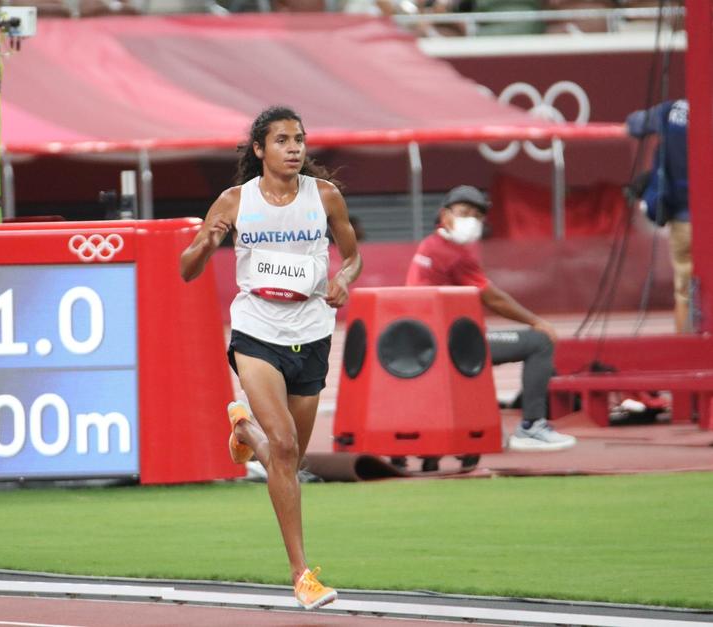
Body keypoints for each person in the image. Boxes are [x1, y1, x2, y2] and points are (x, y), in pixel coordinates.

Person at [180, 105, 361, 610]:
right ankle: (302, 574)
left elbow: (352, 256)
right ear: (259, 149)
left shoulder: (324, 197)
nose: (295, 147)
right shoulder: (235, 202)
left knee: (290, 458)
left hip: (311, 329)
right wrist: (208, 240)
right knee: (283, 445)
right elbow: (186, 268)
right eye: (282, 140)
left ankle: (244, 433)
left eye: (300, 139)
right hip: (256, 328)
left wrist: (344, 279)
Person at [406, 185, 575, 451]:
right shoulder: (451, 253)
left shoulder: (430, 245)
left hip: (427, 339)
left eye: (477, 215)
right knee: (539, 341)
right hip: (450, 344)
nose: (471, 220)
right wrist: (536, 322)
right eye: (464, 212)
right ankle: (532, 426)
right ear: (444, 215)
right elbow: (493, 298)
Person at [626, 99, 691, 333]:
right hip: (693, 217)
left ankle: (688, 352)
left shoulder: (672, 110)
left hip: (685, 220)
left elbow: (634, 124)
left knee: (685, 294)